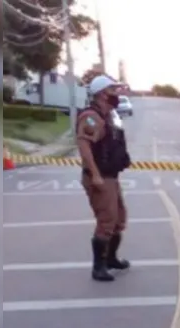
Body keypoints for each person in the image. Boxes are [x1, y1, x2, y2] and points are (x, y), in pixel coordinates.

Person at [76, 75, 132, 282]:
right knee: (107, 220)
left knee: (119, 219)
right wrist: (96, 175)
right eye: (112, 91)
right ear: (101, 94)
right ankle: (98, 267)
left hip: (111, 175)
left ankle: (110, 259)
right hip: (100, 177)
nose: (116, 94)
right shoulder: (91, 116)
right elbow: (84, 145)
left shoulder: (108, 115)